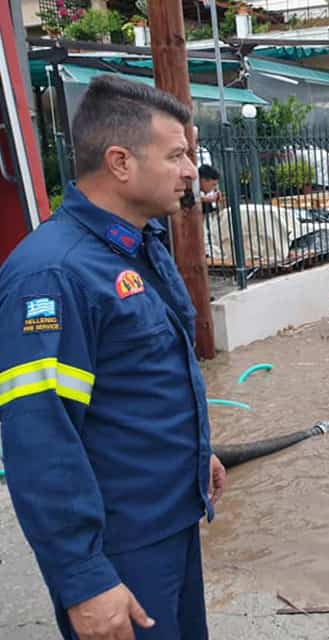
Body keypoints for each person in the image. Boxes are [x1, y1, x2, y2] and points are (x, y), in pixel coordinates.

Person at [0, 75, 226, 640]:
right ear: (120, 162)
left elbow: (143, 382)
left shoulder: (139, 246)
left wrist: (197, 455)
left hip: (171, 521)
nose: (190, 170)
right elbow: (40, 435)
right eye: (176, 155)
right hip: (121, 547)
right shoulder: (53, 274)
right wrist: (84, 580)